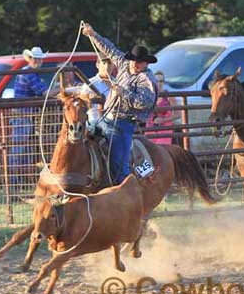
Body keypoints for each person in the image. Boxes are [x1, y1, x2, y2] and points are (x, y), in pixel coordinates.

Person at [82, 23, 158, 184]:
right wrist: (92, 34)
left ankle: (124, 192)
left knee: (118, 164)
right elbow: (109, 48)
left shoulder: (147, 79)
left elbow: (145, 102)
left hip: (122, 124)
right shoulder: (124, 64)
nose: (136, 65)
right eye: (135, 61)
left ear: (146, 64)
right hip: (105, 118)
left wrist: (122, 92)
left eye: (141, 62)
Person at [9, 46, 57, 188]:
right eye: (35, 58)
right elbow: (44, 92)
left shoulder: (29, 72)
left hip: (24, 114)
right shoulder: (30, 74)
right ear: (30, 59)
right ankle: (13, 183)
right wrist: (63, 89)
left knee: (24, 149)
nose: (37, 61)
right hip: (23, 115)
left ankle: (18, 182)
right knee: (19, 150)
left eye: (39, 59)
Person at [69, 52, 117, 126]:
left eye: (110, 63)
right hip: (94, 123)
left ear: (114, 65)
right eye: (104, 63)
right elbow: (81, 107)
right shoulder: (90, 84)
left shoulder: (118, 83)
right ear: (97, 65)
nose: (107, 66)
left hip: (115, 122)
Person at [145, 71, 180, 145]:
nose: (159, 83)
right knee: (149, 150)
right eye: (157, 81)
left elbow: (178, 115)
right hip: (150, 127)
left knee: (162, 149)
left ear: (164, 82)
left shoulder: (169, 96)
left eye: (161, 81)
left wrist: (163, 120)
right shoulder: (149, 95)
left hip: (165, 128)